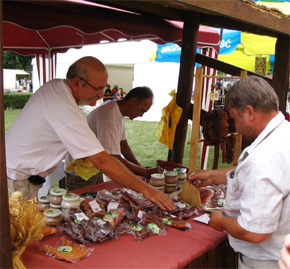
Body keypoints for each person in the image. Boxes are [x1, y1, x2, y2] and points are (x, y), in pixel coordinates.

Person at [5, 56, 175, 211]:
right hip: (14, 181)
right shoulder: (63, 106)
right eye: (97, 88)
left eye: (104, 88)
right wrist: (148, 191)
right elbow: (102, 160)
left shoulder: (57, 88)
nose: (101, 94)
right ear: (77, 82)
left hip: (21, 177)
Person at [188, 76, 290, 268]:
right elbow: (256, 174)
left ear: (249, 112)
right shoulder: (285, 133)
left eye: (234, 118)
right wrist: (212, 176)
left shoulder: (264, 160)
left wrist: (222, 222)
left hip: (266, 262)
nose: (234, 126)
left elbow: (254, 232)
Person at [87, 86, 163, 180]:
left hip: (92, 168)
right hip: (81, 170)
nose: (141, 115)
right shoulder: (109, 116)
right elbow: (113, 157)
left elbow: (123, 145)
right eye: (142, 110)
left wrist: (140, 167)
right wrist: (144, 171)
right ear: (133, 101)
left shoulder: (118, 111)